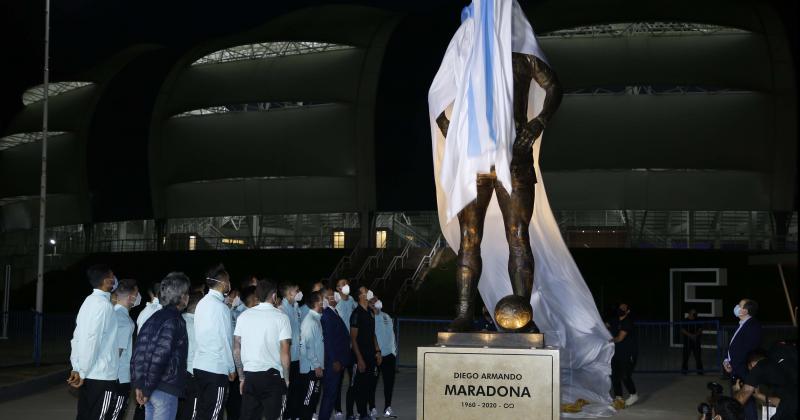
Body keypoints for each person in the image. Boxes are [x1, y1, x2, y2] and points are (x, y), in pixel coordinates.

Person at [131, 272, 190, 420]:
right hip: (164, 387)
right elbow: (160, 356)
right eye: (187, 293)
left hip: (151, 386)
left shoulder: (153, 317)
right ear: (182, 296)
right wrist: (146, 387)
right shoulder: (175, 320)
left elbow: (139, 351)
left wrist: (140, 385)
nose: (188, 296)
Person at [233, 280, 292, 420]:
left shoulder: (243, 316)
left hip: (250, 377)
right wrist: (286, 378)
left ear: (257, 295)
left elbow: (236, 349)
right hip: (273, 378)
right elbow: (285, 353)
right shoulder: (282, 317)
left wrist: (241, 377)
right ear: (273, 296)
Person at [68, 264, 119, 420]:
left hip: (89, 373)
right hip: (102, 375)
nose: (114, 279)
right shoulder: (104, 306)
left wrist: (77, 367)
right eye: (112, 276)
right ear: (107, 281)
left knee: (85, 415)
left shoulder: (89, 301)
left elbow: (77, 337)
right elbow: (92, 340)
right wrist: (81, 371)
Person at [194, 264, 237, 420]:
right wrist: (231, 367)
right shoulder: (221, 308)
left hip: (199, 366)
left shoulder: (201, 303)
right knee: (214, 414)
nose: (230, 284)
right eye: (229, 280)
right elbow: (225, 340)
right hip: (216, 368)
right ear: (223, 282)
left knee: (202, 412)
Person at [723, 299, 762, 420]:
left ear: (745, 310)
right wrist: (726, 361)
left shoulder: (752, 325)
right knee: (737, 404)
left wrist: (735, 366)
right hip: (735, 369)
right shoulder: (742, 324)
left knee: (746, 403)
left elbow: (749, 350)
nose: (736, 307)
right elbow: (734, 347)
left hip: (743, 372)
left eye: (739, 305)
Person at [733, 347, 797, 420]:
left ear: (752, 365)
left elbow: (739, 399)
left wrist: (736, 391)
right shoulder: (780, 367)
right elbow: (782, 403)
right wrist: (759, 395)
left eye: (751, 372)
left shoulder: (760, 366)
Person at [109, 278, 140, 420]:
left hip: (107, 376)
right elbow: (118, 353)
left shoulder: (110, 313)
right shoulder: (125, 321)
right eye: (137, 294)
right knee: (116, 414)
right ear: (131, 297)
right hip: (119, 376)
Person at [319, 287, 351, 420]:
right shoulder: (326, 314)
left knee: (332, 394)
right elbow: (328, 341)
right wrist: (334, 360)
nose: (335, 296)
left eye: (334, 294)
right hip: (333, 362)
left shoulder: (334, 311)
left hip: (339, 359)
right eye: (331, 295)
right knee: (329, 394)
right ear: (325, 299)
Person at [350, 287, 382, 420]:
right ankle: (361, 413)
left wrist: (378, 351)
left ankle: (366, 413)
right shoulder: (356, 314)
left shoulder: (370, 312)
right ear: (360, 296)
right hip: (360, 355)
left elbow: (372, 334)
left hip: (371, 355)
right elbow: (353, 338)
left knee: (369, 384)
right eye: (365, 291)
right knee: (360, 386)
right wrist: (359, 359)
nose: (368, 292)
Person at [332, 278, 358, 419]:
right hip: (340, 347)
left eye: (347, 283)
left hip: (352, 346)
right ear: (338, 288)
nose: (346, 286)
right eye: (343, 284)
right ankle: (338, 409)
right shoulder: (335, 301)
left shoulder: (352, 300)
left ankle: (350, 412)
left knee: (353, 380)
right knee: (338, 380)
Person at [280, 282, 305, 419]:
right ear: (289, 293)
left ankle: (295, 414)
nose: (299, 292)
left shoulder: (296, 307)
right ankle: (286, 416)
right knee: (286, 390)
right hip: (287, 357)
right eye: (297, 290)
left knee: (296, 390)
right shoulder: (282, 309)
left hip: (297, 356)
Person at [176, 292, 203, 420]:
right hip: (193, 375)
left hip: (177, 374)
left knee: (177, 411)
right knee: (192, 412)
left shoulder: (178, 320)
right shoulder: (199, 326)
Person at [298, 291, 325, 420]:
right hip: (311, 368)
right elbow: (308, 347)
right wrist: (316, 365)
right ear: (316, 303)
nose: (324, 302)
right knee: (308, 399)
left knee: (313, 398)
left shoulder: (316, 319)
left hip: (316, 367)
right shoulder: (310, 322)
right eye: (322, 300)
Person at [370, 297, 397, 418]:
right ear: (369, 304)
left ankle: (388, 407)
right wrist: (376, 352)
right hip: (376, 355)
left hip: (389, 355)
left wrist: (393, 351)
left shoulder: (386, 316)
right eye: (373, 301)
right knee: (372, 383)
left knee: (389, 383)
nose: (377, 302)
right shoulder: (369, 317)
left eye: (377, 300)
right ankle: (372, 408)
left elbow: (392, 334)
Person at [608, 303, 638, 408]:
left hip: (628, 353)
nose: (621, 309)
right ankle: (618, 397)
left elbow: (620, 338)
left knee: (625, 376)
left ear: (628, 311)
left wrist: (609, 340)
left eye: (624, 308)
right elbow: (604, 325)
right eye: (620, 307)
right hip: (616, 353)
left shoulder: (627, 322)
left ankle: (633, 395)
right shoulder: (615, 320)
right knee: (615, 376)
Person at [681, 308, 704, 375]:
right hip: (687, 342)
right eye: (693, 313)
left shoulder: (698, 320)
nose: (694, 314)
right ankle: (684, 371)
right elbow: (682, 330)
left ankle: (700, 372)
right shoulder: (685, 320)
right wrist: (691, 335)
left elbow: (700, 329)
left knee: (698, 357)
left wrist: (695, 335)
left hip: (696, 341)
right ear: (689, 313)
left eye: (695, 313)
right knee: (685, 357)